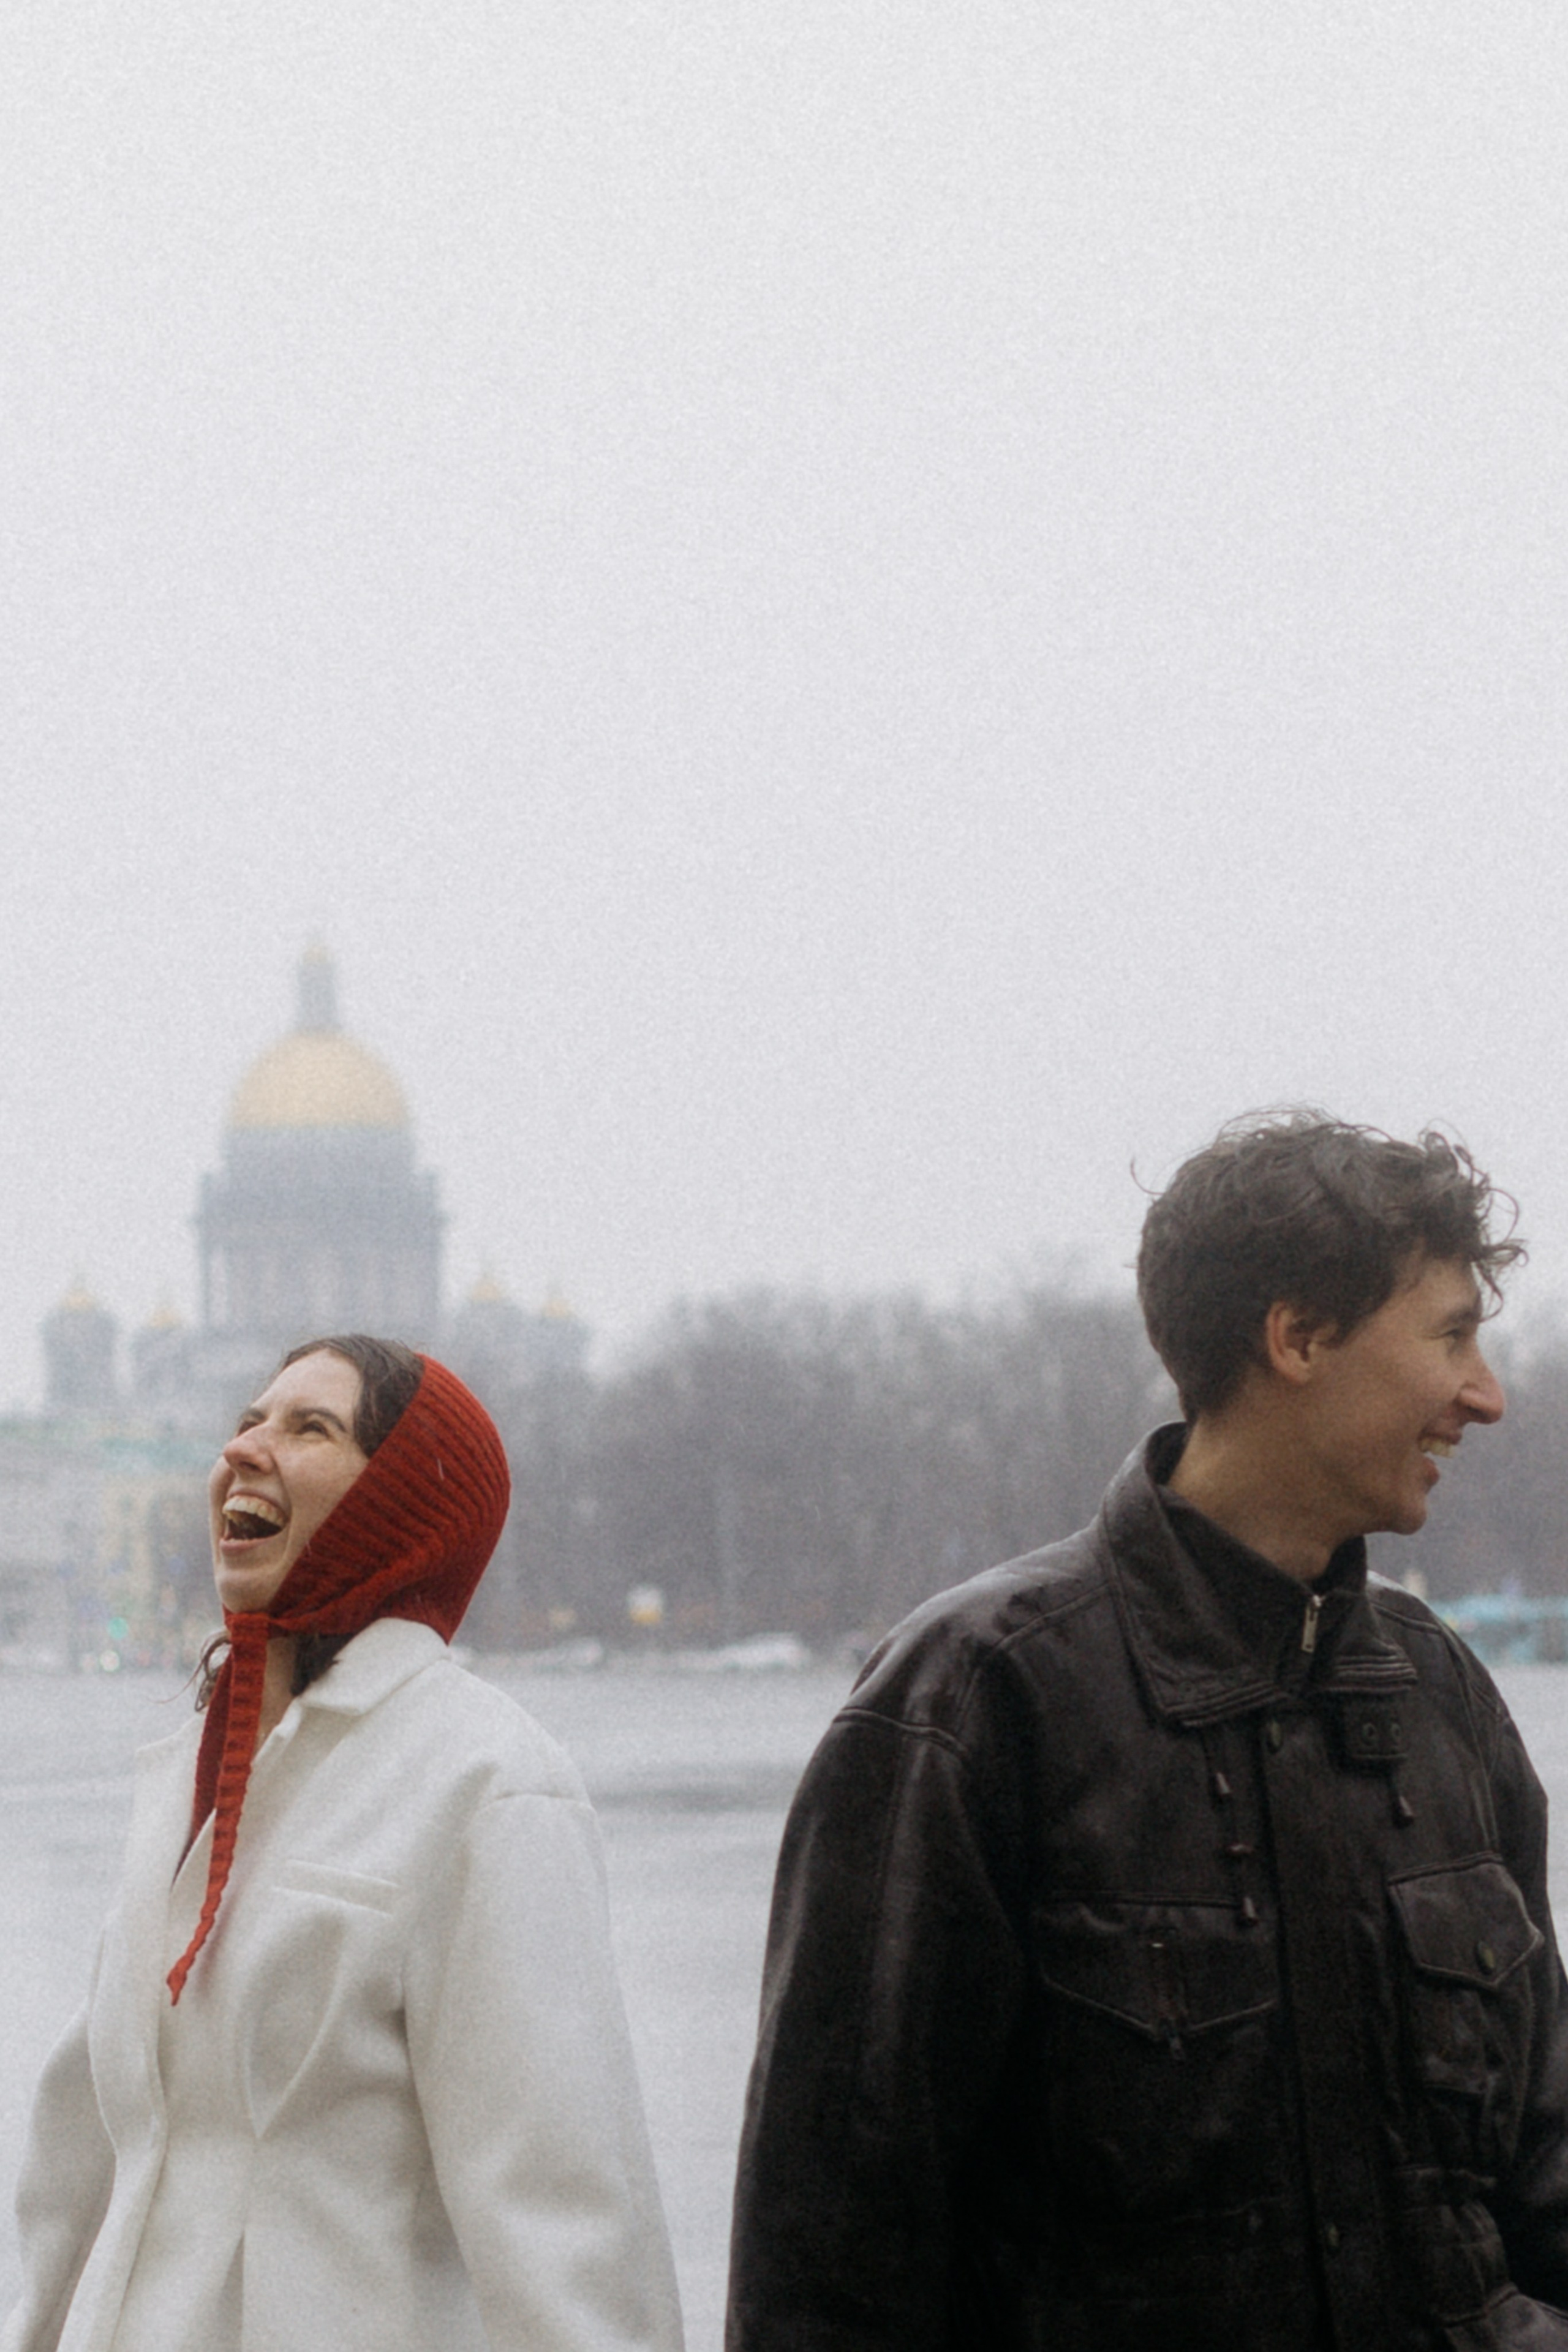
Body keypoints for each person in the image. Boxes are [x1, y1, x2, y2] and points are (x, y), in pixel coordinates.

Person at [727, 1115, 1568, 2352]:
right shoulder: (972, 1702)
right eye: (1449, 1336)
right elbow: (833, 2260)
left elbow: (1543, 2168)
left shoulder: (1440, 1695)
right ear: (1295, 1338)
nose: (1481, 1396)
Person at [4, 1334, 684, 2352]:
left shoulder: (485, 1782)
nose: (247, 1449)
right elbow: (82, 2160)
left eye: (309, 1428)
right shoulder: (191, 1777)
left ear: (402, 1504)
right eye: (247, 1421)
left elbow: (566, 2230)